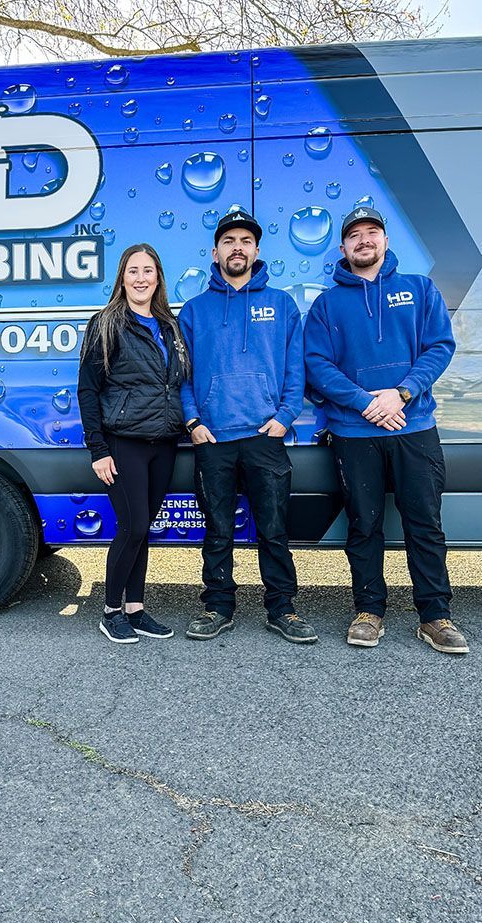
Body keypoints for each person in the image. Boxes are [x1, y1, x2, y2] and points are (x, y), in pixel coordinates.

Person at [304, 206, 468, 654]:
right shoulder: (326, 305)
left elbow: (439, 347)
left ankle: (434, 616)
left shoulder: (419, 289)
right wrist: (366, 402)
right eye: (354, 235)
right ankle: (368, 611)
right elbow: (317, 365)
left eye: (372, 232)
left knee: (424, 523)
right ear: (343, 247)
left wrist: (402, 393)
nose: (364, 240)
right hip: (354, 433)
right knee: (364, 524)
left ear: (385, 240)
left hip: (414, 426)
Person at [179, 210, 317, 643]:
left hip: (264, 436)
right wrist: (193, 420)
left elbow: (296, 369)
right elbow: (181, 375)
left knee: (274, 530)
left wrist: (285, 417)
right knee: (218, 531)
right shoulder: (194, 311)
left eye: (245, 241)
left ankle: (282, 608)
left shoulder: (281, 305)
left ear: (256, 251)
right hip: (213, 438)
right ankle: (218, 607)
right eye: (229, 241)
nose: (237, 248)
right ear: (215, 252)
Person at [77, 243, 190, 644]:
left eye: (148, 270)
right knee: (133, 525)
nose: (141, 278)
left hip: (165, 442)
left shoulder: (169, 325)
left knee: (143, 530)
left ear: (158, 277)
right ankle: (111, 611)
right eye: (133, 271)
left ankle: (135, 609)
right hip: (124, 442)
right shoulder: (106, 323)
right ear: (122, 278)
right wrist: (98, 450)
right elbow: (88, 390)